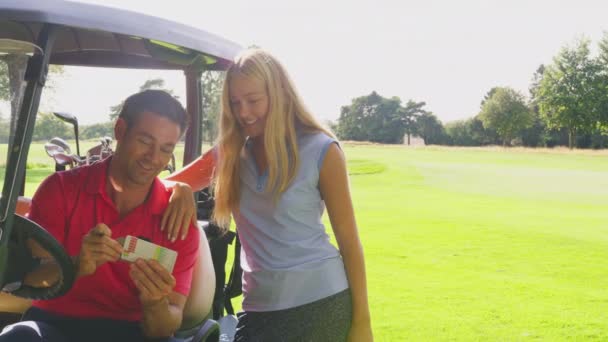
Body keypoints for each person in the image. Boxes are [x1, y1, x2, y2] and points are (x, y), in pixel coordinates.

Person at [164, 48, 373, 341]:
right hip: (259, 308)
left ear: (280, 94)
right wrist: (182, 189)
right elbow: (163, 186)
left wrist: (362, 324)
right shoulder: (231, 153)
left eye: (253, 100)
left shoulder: (322, 150)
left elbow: (350, 243)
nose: (243, 112)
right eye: (236, 103)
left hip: (322, 303)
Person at [0, 90, 200, 342]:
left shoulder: (178, 219)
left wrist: (155, 303)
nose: (153, 158)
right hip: (56, 324)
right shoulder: (60, 190)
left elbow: (164, 327)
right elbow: (27, 279)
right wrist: (74, 266)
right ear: (120, 130)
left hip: (134, 330)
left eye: (165, 149)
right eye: (145, 141)